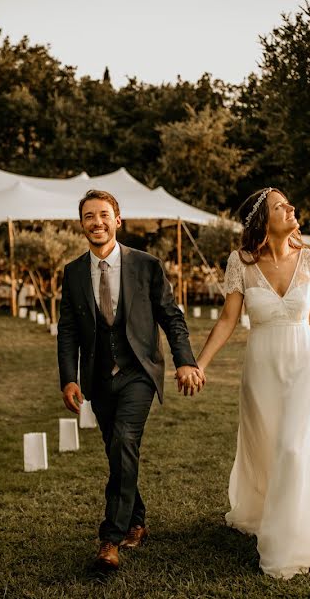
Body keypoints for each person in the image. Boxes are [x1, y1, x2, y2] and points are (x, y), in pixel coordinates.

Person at [191, 187, 310, 579]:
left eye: (290, 203)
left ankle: (287, 543)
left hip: (302, 365)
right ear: (263, 220)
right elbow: (227, 320)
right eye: (280, 206)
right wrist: (200, 364)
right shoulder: (240, 263)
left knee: (293, 448)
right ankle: (260, 511)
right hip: (261, 369)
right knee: (267, 449)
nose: (291, 208)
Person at [57, 189, 205, 571]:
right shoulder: (73, 272)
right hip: (97, 377)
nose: (97, 222)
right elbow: (68, 330)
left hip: (139, 372)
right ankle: (137, 519)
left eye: (104, 214)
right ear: (82, 225)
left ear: (118, 220)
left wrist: (185, 361)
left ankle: (110, 538)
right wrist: (68, 379)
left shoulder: (146, 265)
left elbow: (171, 318)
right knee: (117, 450)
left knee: (124, 439)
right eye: (89, 216)